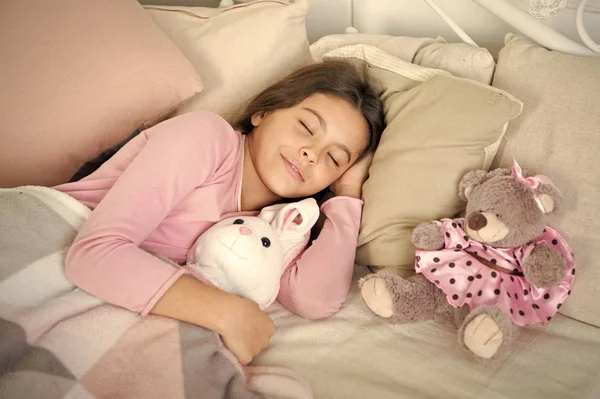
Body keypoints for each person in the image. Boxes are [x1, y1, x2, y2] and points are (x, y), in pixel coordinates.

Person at [54, 60, 385, 366]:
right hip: (48, 237)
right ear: (263, 112)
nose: (312, 154)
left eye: (335, 159)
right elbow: (93, 253)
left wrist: (348, 197)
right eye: (307, 127)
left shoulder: (279, 225)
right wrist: (226, 313)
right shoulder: (208, 137)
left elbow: (314, 300)